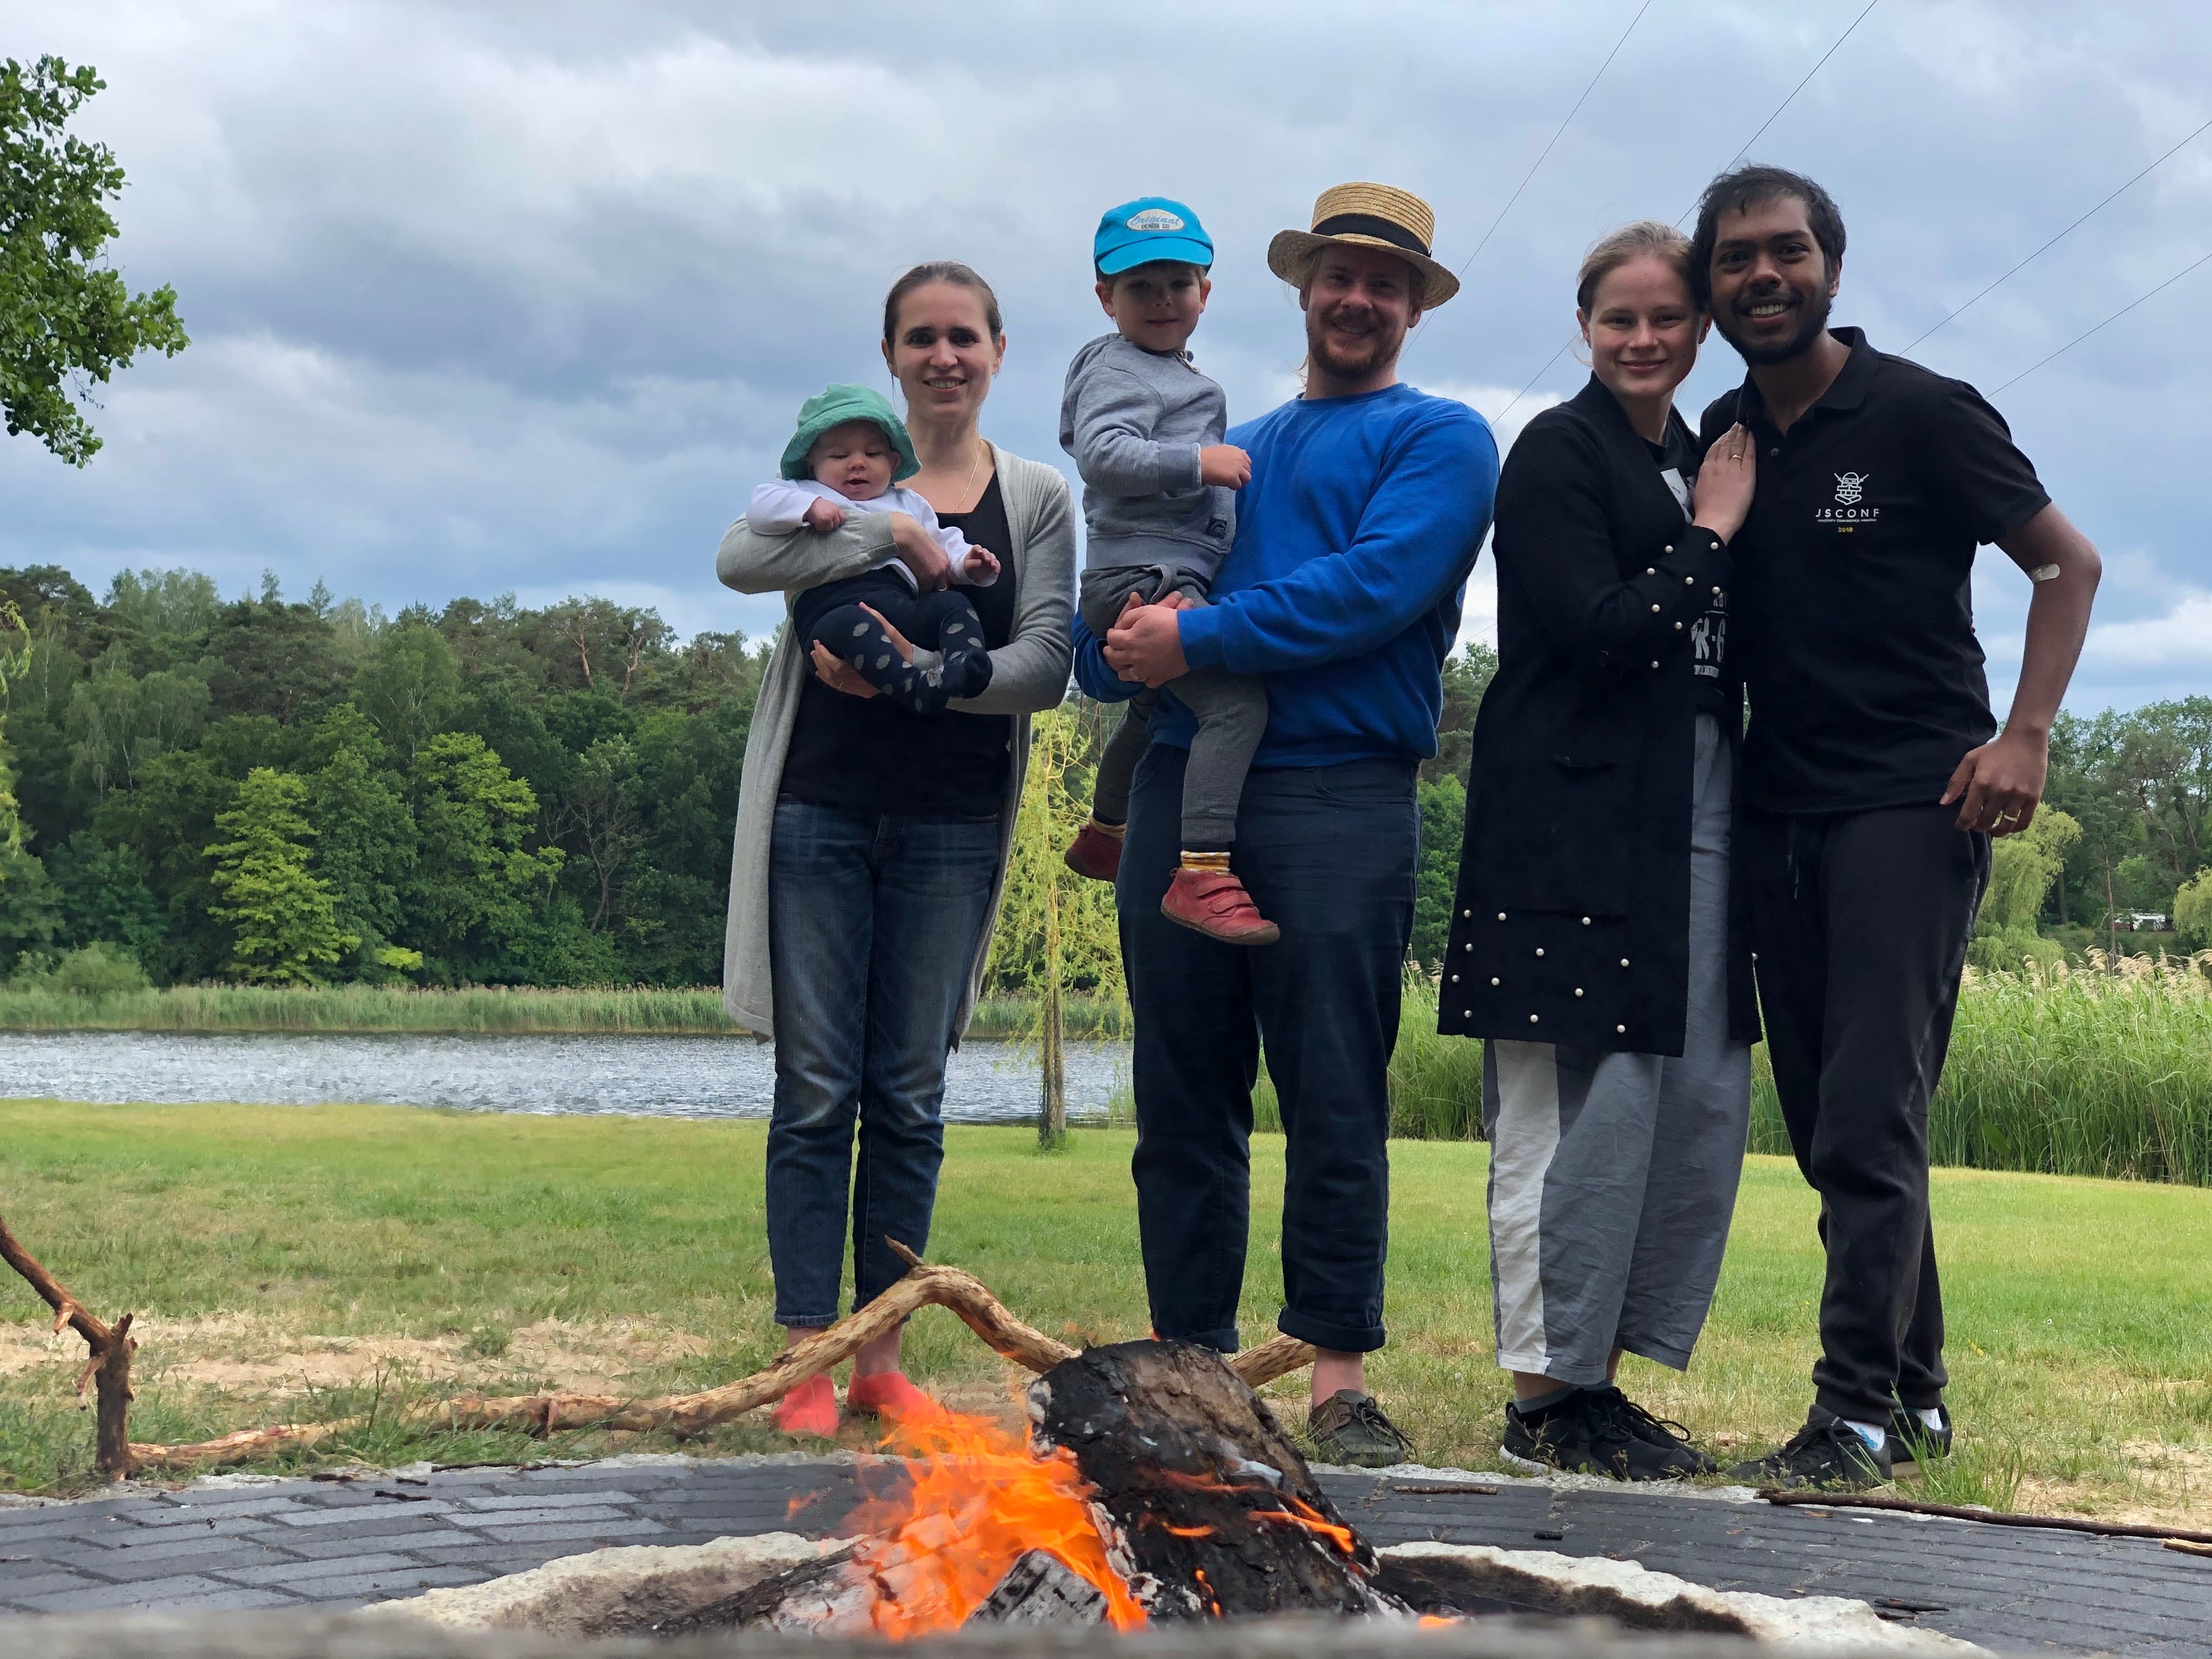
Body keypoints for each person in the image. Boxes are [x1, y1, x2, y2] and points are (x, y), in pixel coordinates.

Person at [1688, 166, 2101, 1489]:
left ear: (1831, 269)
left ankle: (1851, 1415)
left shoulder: (1923, 414)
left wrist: (2024, 734)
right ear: (1711, 288)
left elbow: (2067, 562)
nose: (1765, 276)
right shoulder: (1726, 432)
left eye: (1787, 252)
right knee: (1827, 1127)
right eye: (1739, 259)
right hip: (1778, 810)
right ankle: (1917, 1401)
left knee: (1873, 1114)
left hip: (1912, 808)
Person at [1075, 182, 1499, 1466]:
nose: (1358, 300)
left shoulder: (1443, 439)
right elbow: (1124, 640)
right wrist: (1119, 638)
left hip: (1339, 794)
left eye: (1388, 283)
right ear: (1303, 290)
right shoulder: (1227, 448)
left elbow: (1372, 588)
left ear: (1415, 306)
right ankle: (1191, 1369)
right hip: (1178, 786)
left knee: (1332, 1089)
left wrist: (1191, 633)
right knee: (1182, 1092)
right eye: (1339, 276)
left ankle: (1336, 1377)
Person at [716, 262, 1076, 1437]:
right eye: (921, 337)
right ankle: (807, 1358)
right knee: (817, 1091)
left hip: (953, 828)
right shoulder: (847, 479)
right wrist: (869, 531)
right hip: (819, 811)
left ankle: (883, 1355)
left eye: (964, 336)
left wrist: (920, 684)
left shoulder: (1035, 498)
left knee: (911, 1099)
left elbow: (1046, 666)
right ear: (892, 357)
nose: (944, 356)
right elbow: (739, 557)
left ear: (999, 351)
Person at [1440, 222, 1760, 1480]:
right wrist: (1715, 534)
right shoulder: (1560, 453)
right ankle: (1541, 1397)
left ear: (1698, 331)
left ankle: (1598, 1382)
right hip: (1568, 821)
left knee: (1669, 1100)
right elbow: (1594, 633)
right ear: (1586, 326)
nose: (1643, 339)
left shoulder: (1693, 455)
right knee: (1560, 1111)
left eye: (1666, 320)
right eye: (1618, 319)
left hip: (1688, 805)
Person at [1058, 197, 1274, 945]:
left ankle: (1106, 832)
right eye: (1139, 286)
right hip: (1136, 576)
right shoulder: (1123, 368)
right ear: (1104, 298)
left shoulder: (1164, 371)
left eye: (1177, 283)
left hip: (1158, 571)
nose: (1160, 301)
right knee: (1236, 706)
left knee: (1154, 708)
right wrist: (1199, 462)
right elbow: (1102, 456)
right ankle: (1204, 871)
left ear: (1205, 293)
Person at [749, 384, 1001, 714]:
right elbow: (759, 507)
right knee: (850, 624)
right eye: (839, 456)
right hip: (832, 612)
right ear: (812, 464)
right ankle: (915, 688)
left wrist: (967, 563)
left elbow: (940, 544)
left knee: (952, 603)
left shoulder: (906, 502)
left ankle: (964, 663)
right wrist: (809, 507)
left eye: (872, 454)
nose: (857, 463)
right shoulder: (802, 490)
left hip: (902, 604)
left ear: (894, 462)